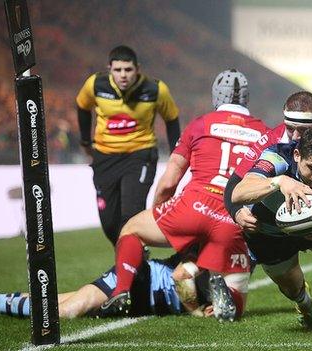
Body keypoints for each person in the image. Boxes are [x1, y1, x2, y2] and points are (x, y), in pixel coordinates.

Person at [99, 69, 269, 322]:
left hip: (193, 206)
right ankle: (226, 297)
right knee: (232, 283)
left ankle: (122, 290)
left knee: (132, 229)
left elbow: (169, 183)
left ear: (216, 98)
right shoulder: (265, 134)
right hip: (233, 217)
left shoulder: (200, 124)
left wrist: (160, 212)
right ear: (245, 99)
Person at [226, 127, 312, 330]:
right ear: (297, 155)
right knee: (292, 289)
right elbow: (237, 193)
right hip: (267, 234)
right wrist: (279, 181)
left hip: (308, 231)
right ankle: (307, 309)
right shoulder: (277, 157)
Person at [76, 45, 181, 245]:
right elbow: (82, 106)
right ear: (109, 69)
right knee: (109, 223)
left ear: (137, 69)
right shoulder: (95, 85)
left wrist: (176, 153)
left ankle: (132, 265)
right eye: (118, 70)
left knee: (131, 215)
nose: (123, 75)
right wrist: (85, 141)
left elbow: (172, 119)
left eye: (128, 70)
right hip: (105, 157)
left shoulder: (156, 90)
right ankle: (132, 256)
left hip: (140, 156)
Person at [226, 91, 312, 234]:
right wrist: (236, 212)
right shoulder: (273, 139)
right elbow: (235, 182)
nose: (294, 136)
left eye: (302, 130)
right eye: (289, 128)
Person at [0, 254, 214, 319]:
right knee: (62, 313)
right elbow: (181, 275)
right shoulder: (214, 250)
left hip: (143, 301)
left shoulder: (233, 269)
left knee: (55, 301)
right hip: (138, 281)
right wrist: (195, 311)